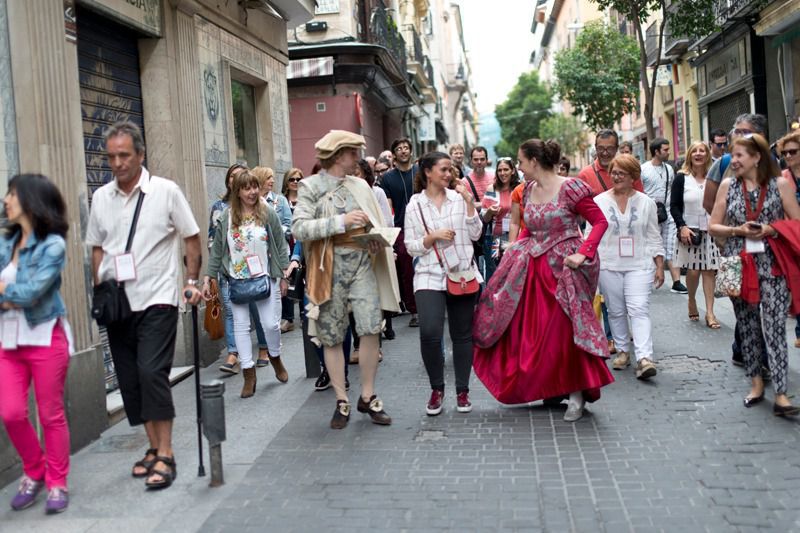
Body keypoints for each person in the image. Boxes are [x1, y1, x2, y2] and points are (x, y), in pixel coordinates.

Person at [86, 121, 203, 490]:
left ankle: (166, 453)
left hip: (158, 297)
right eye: (111, 157)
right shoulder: (101, 197)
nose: (117, 163)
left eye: (124, 155)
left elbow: (192, 237)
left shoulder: (165, 192)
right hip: (119, 303)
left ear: (140, 154)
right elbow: (97, 247)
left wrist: (191, 282)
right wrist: (99, 288)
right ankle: (152, 448)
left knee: (152, 372)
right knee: (131, 380)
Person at [472, 139, 614, 422]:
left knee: (564, 332)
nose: (519, 167)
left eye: (521, 161)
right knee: (537, 336)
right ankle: (552, 386)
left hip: (565, 270)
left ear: (534, 161)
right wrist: (516, 246)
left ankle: (576, 392)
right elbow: (529, 229)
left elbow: (600, 222)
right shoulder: (526, 191)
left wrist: (583, 254)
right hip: (534, 272)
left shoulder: (570, 187)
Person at [292, 130, 400, 429]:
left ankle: (368, 395)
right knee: (332, 334)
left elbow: (374, 222)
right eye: (353, 152)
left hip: (363, 264)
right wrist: (341, 221)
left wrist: (375, 239)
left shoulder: (361, 185)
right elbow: (299, 228)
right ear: (338, 155)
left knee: (369, 327)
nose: (358, 158)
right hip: (328, 269)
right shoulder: (310, 186)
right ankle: (342, 400)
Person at [708, 133, 800, 416]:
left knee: (773, 327)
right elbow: (713, 226)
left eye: (738, 156)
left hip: (773, 263)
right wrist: (737, 230)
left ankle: (782, 393)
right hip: (738, 263)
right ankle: (756, 384)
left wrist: (771, 229)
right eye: (733, 156)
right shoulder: (726, 186)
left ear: (756, 157)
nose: (732, 160)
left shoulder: (780, 185)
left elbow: (796, 221)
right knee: (747, 326)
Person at [0, 174, 72, 513]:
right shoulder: (4, 244)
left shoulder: (52, 245)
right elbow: (23, 293)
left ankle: (57, 482)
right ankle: (35, 469)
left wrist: (6, 293)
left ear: (29, 199)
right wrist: (12, 297)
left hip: (45, 337)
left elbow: (31, 293)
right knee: (11, 412)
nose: (6, 200)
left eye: (11, 193)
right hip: (9, 342)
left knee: (50, 414)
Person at [404, 152, 483, 415]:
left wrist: (470, 203)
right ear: (428, 172)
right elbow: (410, 247)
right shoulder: (415, 204)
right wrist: (431, 238)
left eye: (451, 170)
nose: (449, 174)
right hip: (428, 273)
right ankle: (436, 389)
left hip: (461, 273)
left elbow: (475, 234)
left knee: (462, 335)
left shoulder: (459, 199)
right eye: (444, 169)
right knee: (429, 331)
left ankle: (462, 391)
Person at [204, 170, 290, 397]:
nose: (252, 192)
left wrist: (284, 273)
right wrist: (209, 277)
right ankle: (248, 373)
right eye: (246, 188)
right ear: (237, 192)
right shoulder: (227, 216)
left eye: (254, 187)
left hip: (265, 277)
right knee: (241, 326)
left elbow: (280, 244)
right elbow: (217, 249)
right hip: (237, 280)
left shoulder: (267, 212)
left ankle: (275, 356)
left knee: (270, 324)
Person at [702, 113, 770, 368]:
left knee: (763, 306)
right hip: (736, 248)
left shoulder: (774, 165)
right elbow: (709, 204)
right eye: (735, 131)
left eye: (743, 131)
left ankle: (744, 350)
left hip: (767, 249)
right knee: (744, 304)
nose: (736, 136)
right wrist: (732, 231)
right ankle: (757, 360)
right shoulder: (724, 164)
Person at [594, 155, 665, 380]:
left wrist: (659, 265)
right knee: (615, 310)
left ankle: (645, 358)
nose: (616, 176)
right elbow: (590, 234)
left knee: (639, 308)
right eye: (614, 172)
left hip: (640, 264)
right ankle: (623, 351)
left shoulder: (647, 203)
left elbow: (654, 235)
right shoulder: (599, 202)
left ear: (633, 176)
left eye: (621, 173)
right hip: (608, 263)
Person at [209, 164, 272, 373]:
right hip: (231, 271)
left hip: (257, 271)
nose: (236, 180)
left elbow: (275, 239)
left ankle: (266, 349)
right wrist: (213, 272)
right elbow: (215, 242)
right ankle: (235, 355)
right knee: (232, 313)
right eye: (233, 177)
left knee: (258, 312)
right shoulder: (221, 209)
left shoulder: (263, 208)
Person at [670, 141, 721, 328]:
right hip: (690, 231)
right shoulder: (681, 178)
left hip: (710, 231)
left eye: (702, 151)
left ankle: (710, 312)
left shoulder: (714, 178)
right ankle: (691, 299)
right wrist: (681, 226)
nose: (698, 154)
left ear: (707, 155)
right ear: (690, 155)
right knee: (692, 271)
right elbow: (674, 206)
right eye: (695, 151)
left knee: (709, 271)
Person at [381, 138, 419, 327]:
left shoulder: (420, 172)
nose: (403, 151)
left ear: (410, 151)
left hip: (424, 224)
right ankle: (414, 310)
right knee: (407, 268)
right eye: (399, 149)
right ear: (394, 154)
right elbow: (388, 207)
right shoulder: (387, 178)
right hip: (402, 227)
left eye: (406, 147)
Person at [640, 137, 685, 294]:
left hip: (667, 213)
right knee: (651, 246)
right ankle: (649, 277)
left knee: (672, 246)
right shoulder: (644, 169)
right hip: (650, 213)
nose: (668, 152)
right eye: (665, 150)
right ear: (656, 151)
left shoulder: (669, 169)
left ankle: (677, 282)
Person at [253, 166, 294, 334]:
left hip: (277, 251)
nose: (272, 180)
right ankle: (266, 327)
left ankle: (276, 327)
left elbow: (289, 225)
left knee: (278, 291)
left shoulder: (279, 201)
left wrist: (272, 233)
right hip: (259, 254)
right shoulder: (251, 202)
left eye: (272, 177)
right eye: (268, 177)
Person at [777, 131, 800, 348]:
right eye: (785, 153)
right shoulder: (783, 178)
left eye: (793, 151)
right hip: (791, 237)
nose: (788, 156)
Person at [481, 156, 520, 278]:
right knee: (494, 272)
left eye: (506, 169)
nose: (502, 173)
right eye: (499, 170)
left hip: (516, 238)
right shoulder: (492, 189)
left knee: (513, 273)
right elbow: (484, 217)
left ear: (513, 170)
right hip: (495, 239)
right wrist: (490, 212)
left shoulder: (519, 189)